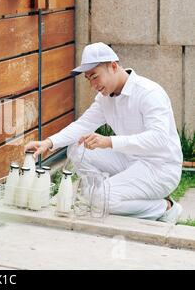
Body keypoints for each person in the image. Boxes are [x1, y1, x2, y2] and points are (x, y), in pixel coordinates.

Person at [24, 42, 183, 224]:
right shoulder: (105, 98)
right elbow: (82, 125)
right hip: (130, 160)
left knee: (100, 200)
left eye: (95, 77)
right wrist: (49, 142)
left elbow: (159, 138)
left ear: (113, 66)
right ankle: (103, 195)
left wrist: (109, 142)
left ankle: (165, 208)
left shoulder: (149, 93)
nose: (93, 85)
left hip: (160, 168)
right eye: (88, 79)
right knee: (78, 148)